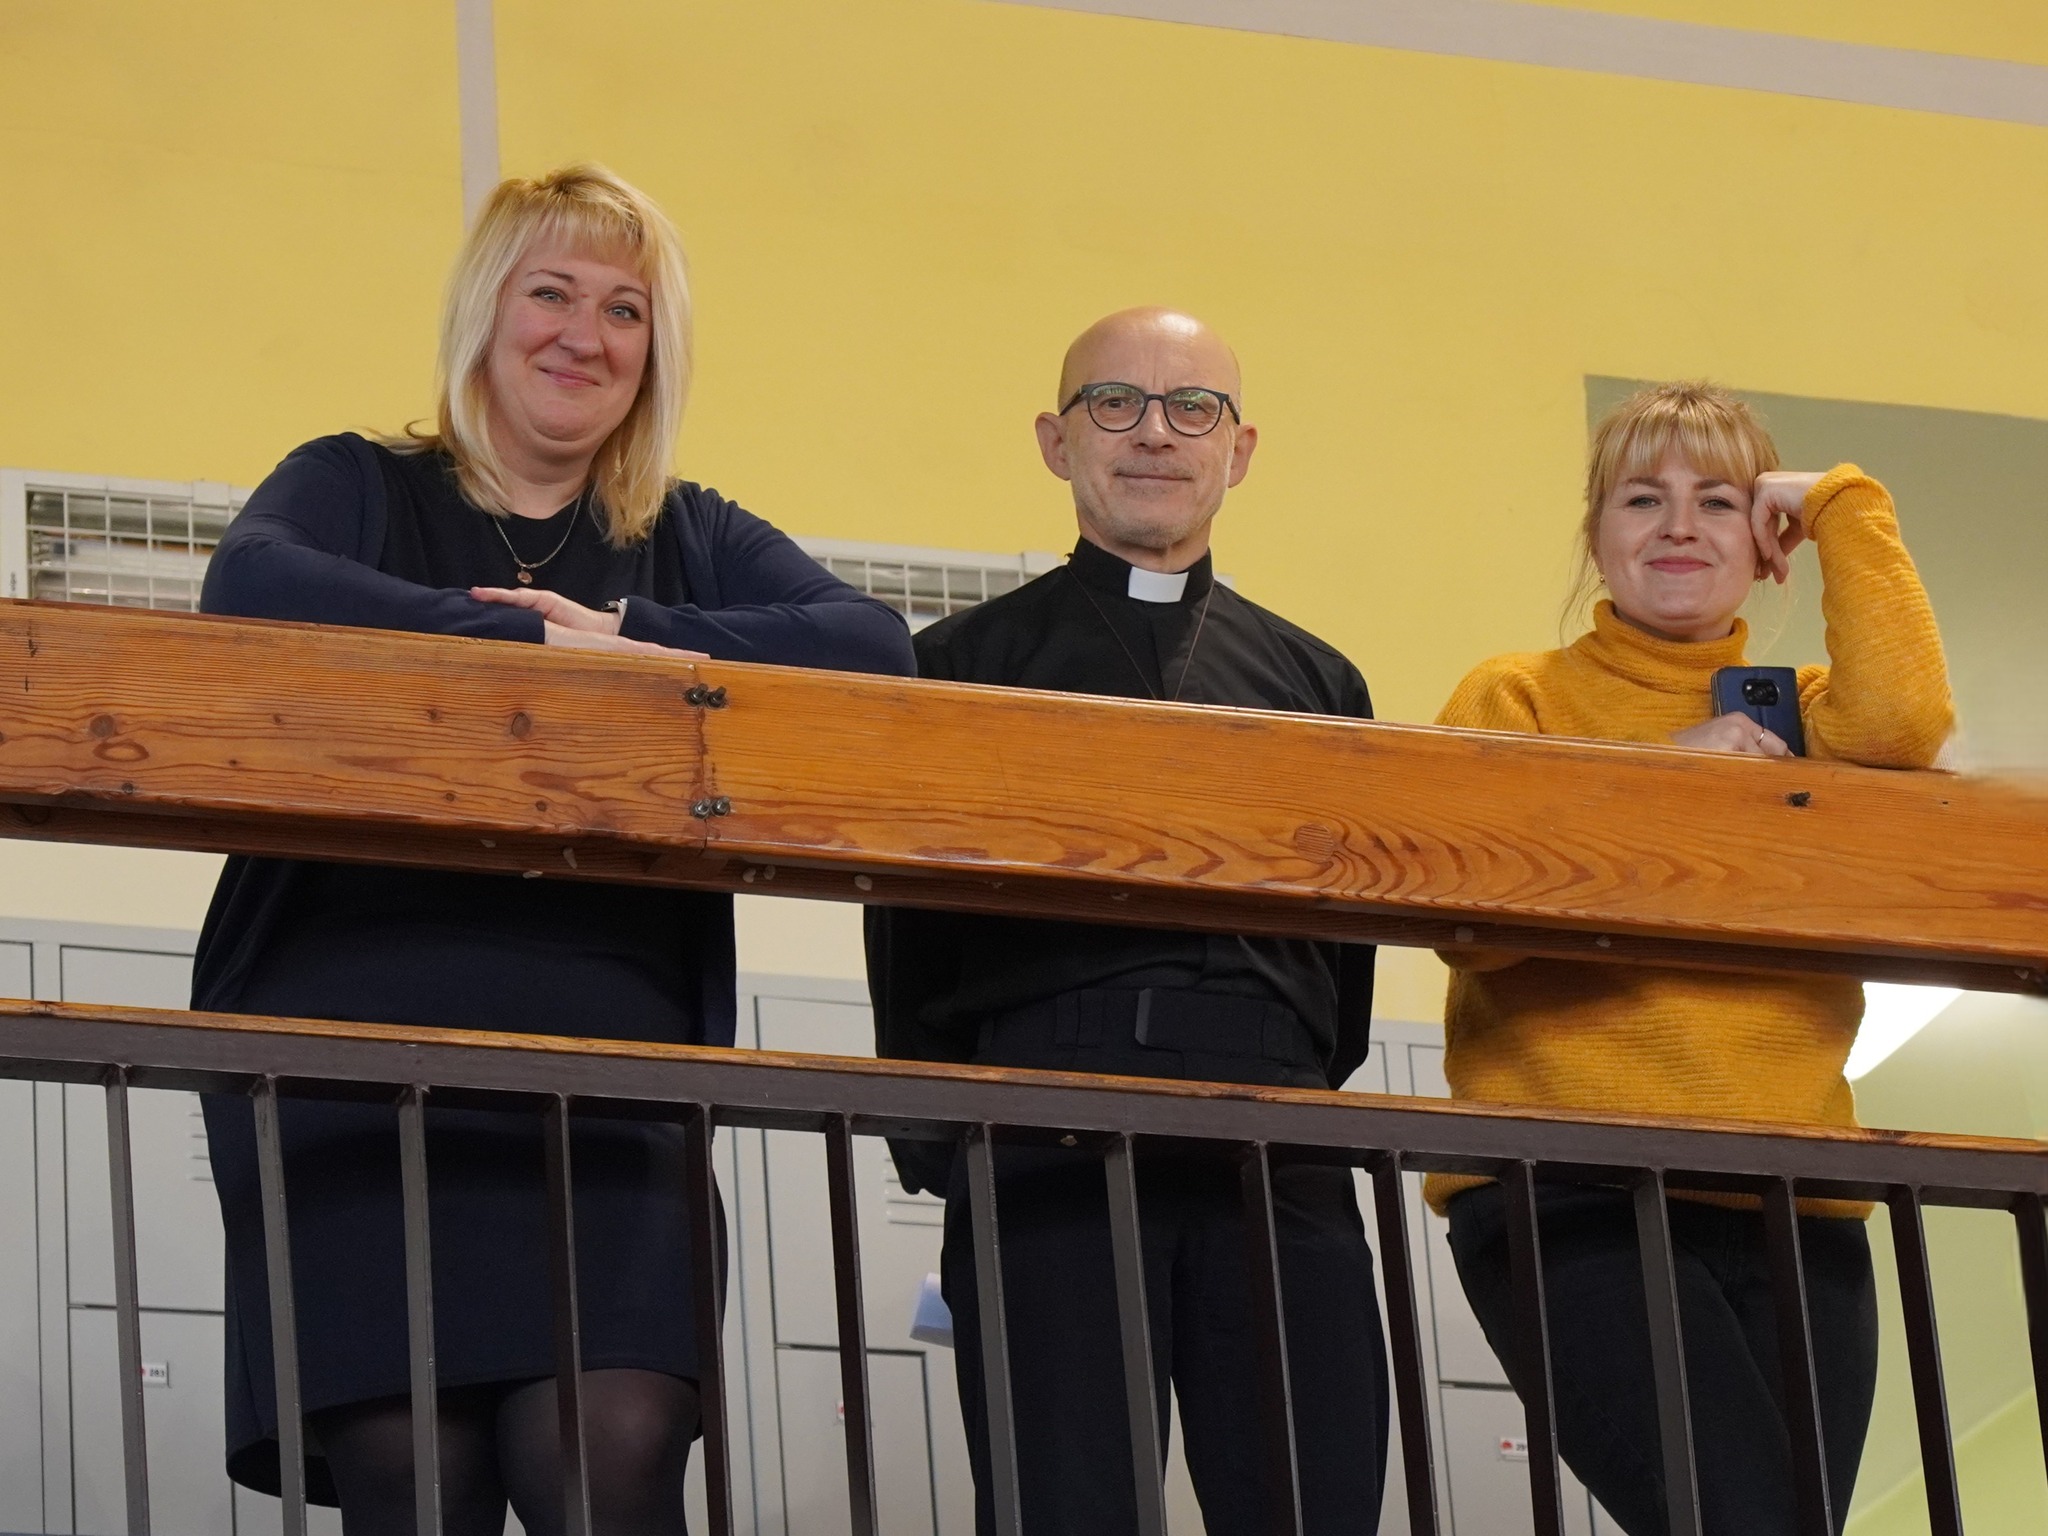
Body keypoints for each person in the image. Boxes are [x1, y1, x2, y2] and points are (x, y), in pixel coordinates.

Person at [194, 164, 913, 1535]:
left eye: (624, 310)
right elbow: (254, 584)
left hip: (606, 1077)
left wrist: (632, 636)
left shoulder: (687, 534)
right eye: (552, 293)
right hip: (353, 1058)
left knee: (611, 1451)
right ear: (487, 310)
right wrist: (530, 644)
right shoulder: (356, 482)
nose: (585, 334)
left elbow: (872, 647)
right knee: (417, 1477)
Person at [866, 308, 1389, 1535]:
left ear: (1237, 451)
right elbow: (906, 937)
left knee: (1312, 1500)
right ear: (1055, 442)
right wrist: (948, 1143)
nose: (1154, 433)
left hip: (1273, 1135)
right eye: (1115, 403)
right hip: (1042, 1127)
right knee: (1065, 1506)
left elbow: (1343, 968)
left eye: (1191, 407)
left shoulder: (1321, 684)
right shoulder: (956, 664)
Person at [1430, 382, 1953, 1536]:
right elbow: (1469, 915)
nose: (1677, 525)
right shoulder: (1515, 695)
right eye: (1640, 498)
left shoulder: (1811, 715)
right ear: (1595, 535)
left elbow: (1905, 720)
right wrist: (1665, 781)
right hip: (1572, 1190)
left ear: (1767, 544)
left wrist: (1838, 504)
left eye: (1717, 500)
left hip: (1797, 1206)